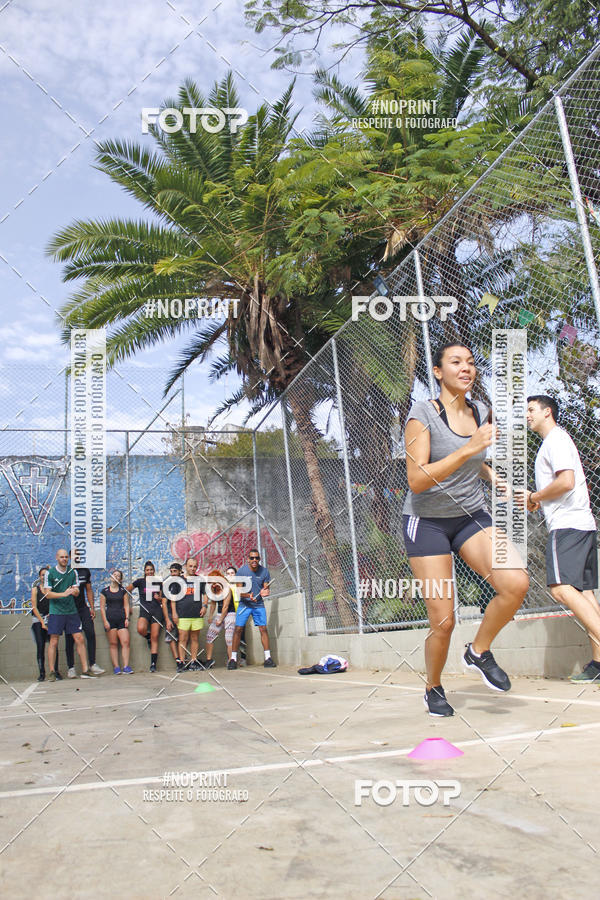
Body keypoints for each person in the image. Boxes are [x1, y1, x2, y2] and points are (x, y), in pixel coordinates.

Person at [402, 343, 528, 716]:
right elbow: (416, 479)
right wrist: (467, 448)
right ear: (438, 372)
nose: (466, 368)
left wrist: (501, 484)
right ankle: (434, 686)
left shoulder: (481, 411)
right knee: (443, 619)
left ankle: (478, 650)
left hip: (470, 514)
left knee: (515, 582)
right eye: (456, 362)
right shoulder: (421, 415)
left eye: (471, 363)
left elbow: (478, 462)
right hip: (427, 522)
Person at [523, 395, 600, 682]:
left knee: (560, 589)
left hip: (567, 526)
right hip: (581, 523)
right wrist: (538, 500)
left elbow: (566, 482)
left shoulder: (555, 440)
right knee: (585, 593)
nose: (527, 415)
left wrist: (535, 496)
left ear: (548, 412)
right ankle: (598, 664)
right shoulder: (555, 442)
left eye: (531, 410)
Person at [45, 548, 98, 681]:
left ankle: (86, 670)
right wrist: (64, 594)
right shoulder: (50, 573)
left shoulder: (72, 572)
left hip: (71, 610)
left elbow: (77, 591)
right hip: (56, 611)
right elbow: (47, 593)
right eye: (62, 557)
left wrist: (74, 592)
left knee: (79, 638)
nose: (64, 559)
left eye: (66, 557)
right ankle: (51, 672)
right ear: (57, 558)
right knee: (54, 641)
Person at [228, 549, 276, 670]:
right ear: (248, 559)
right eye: (252, 558)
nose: (254, 560)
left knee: (263, 628)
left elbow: (266, 589)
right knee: (238, 629)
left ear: (259, 559)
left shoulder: (264, 571)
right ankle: (233, 659)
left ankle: (268, 658)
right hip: (244, 605)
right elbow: (239, 591)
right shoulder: (241, 572)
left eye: (256, 558)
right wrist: (248, 595)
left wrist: (266, 592)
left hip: (258, 605)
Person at [127, 561, 172, 672]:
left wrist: (159, 598)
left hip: (157, 611)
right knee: (140, 628)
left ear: (154, 571)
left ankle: (153, 664)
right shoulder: (140, 582)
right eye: (147, 570)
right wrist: (129, 605)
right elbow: (126, 591)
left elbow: (164, 599)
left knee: (155, 637)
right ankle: (148, 637)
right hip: (145, 611)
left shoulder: (158, 582)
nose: (150, 572)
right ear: (145, 571)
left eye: (151, 570)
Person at [65, 554, 104, 677]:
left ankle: (92, 664)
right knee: (70, 638)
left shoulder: (85, 571)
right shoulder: (65, 572)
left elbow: (89, 590)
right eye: (73, 556)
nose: (76, 557)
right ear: (69, 557)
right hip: (69, 609)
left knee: (90, 633)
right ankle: (71, 668)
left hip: (83, 608)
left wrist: (92, 607)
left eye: (78, 555)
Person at [170, 557, 206, 673]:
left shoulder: (200, 580)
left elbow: (205, 595)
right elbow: (173, 599)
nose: (192, 568)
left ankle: (193, 661)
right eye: (190, 566)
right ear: (186, 566)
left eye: (195, 566)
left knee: (195, 638)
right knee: (183, 638)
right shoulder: (178, 580)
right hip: (183, 614)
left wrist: (204, 606)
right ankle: (181, 662)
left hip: (196, 614)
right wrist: (174, 613)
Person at [30, 566, 62, 681]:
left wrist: (52, 615)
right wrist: (42, 622)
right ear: (39, 577)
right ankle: (42, 673)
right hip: (38, 620)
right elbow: (34, 607)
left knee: (53, 644)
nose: (44, 576)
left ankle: (55, 671)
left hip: (51, 618)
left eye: (46, 574)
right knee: (40, 645)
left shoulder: (52, 589)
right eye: (42, 575)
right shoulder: (35, 589)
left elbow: (56, 603)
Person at [100, 570, 133, 674]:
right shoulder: (104, 591)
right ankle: (116, 667)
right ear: (111, 577)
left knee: (125, 642)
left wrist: (127, 618)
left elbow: (126, 605)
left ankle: (126, 666)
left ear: (120, 579)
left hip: (121, 619)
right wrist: (105, 621)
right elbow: (102, 607)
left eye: (118, 576)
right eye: (114, 575)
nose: (115, 577)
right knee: (113, 644)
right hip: (110, 620)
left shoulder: (123, 591)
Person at [203, 568, 237, 668]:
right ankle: (209, 660)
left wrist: (221, 619)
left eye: (213, 581)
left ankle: (231, 660)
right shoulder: (214, 589)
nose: (212, 584)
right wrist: (210, 616)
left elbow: (226, 606)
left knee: (228, 638)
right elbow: (213, 603)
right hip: (219, 613)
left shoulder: (227, 588)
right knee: (210, 636)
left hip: (230, 613)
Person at [164, 562, 182, 666]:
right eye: (171, 572)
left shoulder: (184, 582)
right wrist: (167, 619)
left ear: (180, 571)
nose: (173, 574)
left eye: (175, 571)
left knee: (183, 637)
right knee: (171, 636)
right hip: (171, 614)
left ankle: (183, 658)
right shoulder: (167, 584)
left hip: (183, 614)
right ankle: (178, 660)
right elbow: (164, 602)